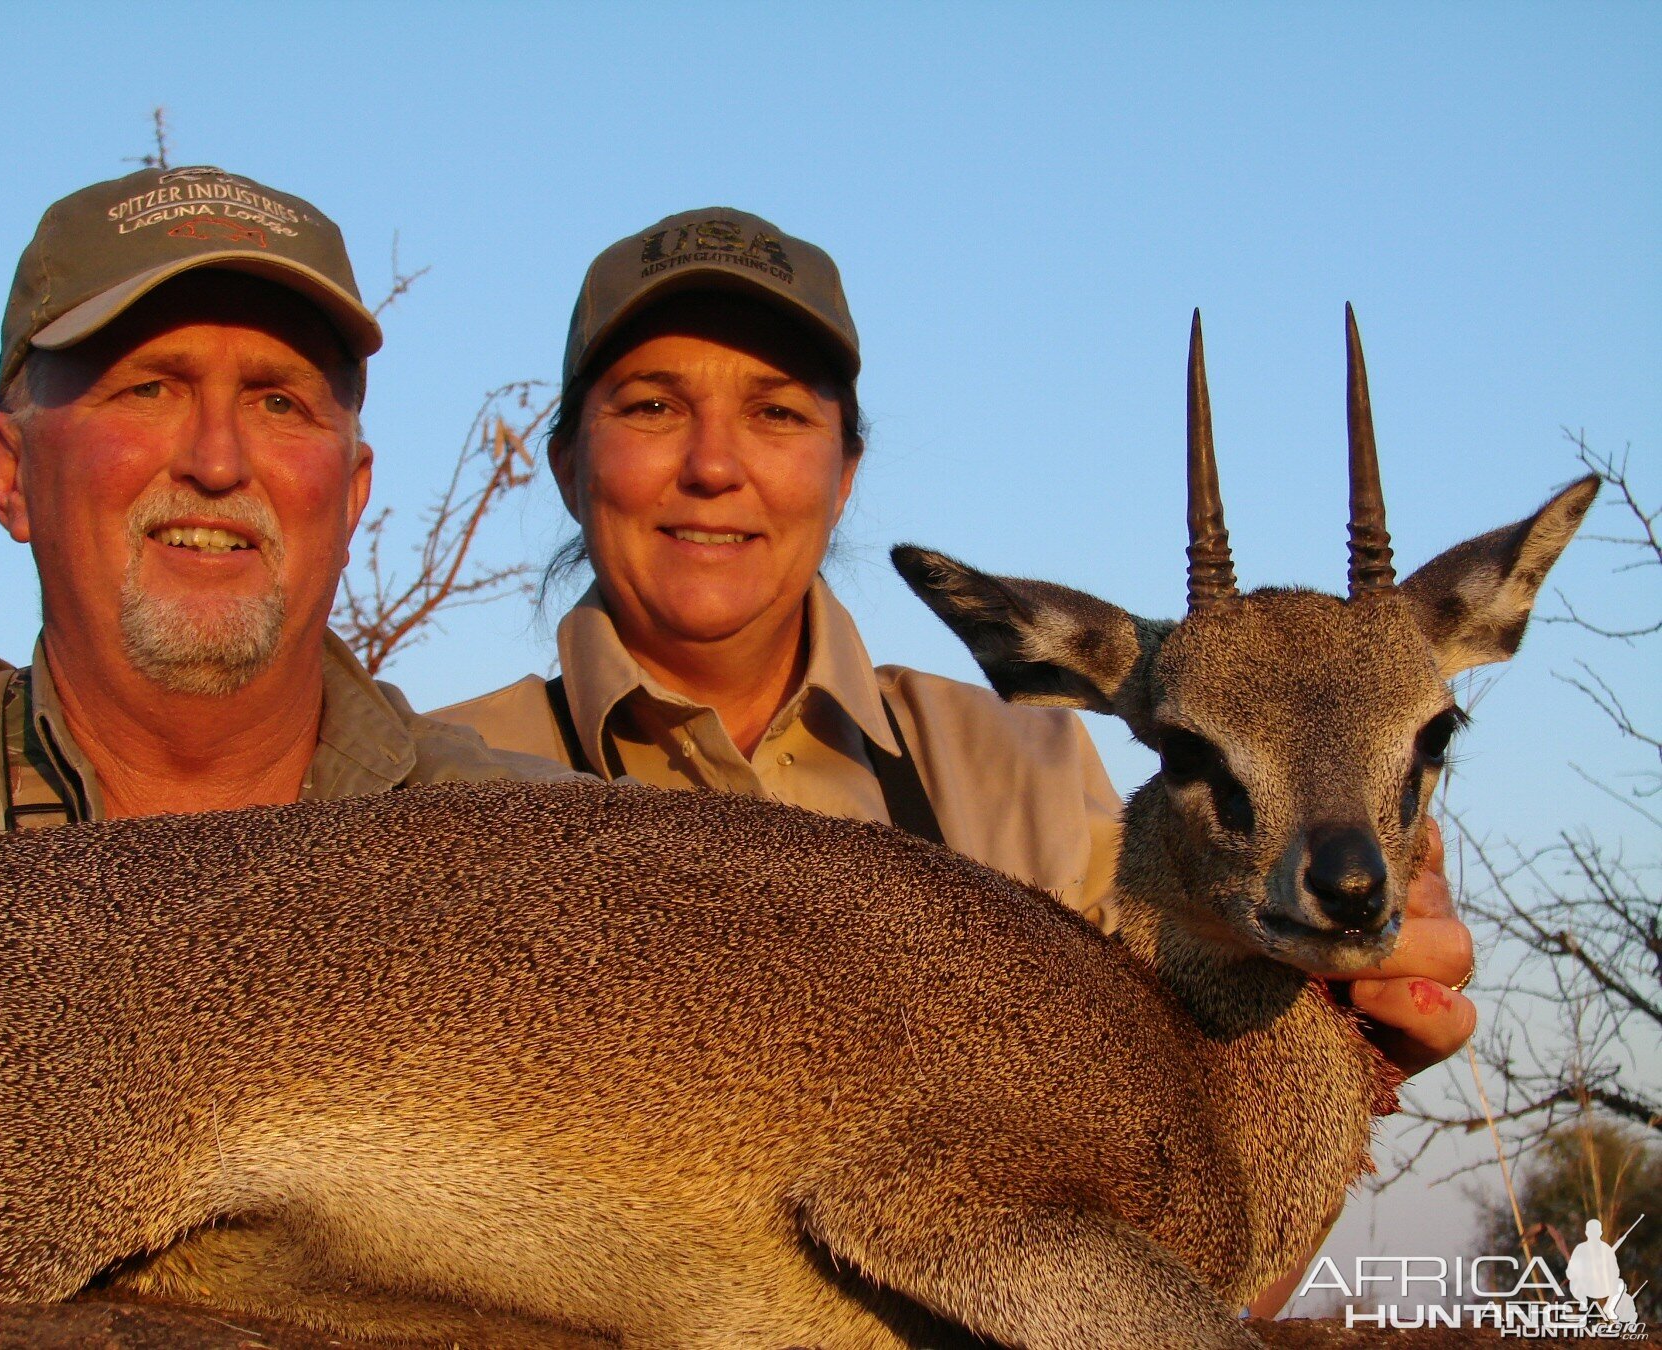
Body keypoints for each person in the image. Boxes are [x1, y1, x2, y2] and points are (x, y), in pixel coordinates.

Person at [433, 206, 1479, 1314]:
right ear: (564, 461)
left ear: (845, 473)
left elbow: (1143, 1275)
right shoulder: (442, 777)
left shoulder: (1022, 770)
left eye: (777, 413)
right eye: (651, 407)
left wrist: (1334, 1042)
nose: (713, 466)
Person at [0, 165, 569, 864]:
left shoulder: (554, 849)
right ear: (9, 474)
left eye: (277, 402)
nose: (218, 462)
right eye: (148, 390)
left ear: (352, 496)